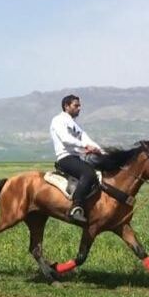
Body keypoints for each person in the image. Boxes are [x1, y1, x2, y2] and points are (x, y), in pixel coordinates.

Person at [50, 94, 104, 224]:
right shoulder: (58, 120)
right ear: (66, 106)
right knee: (88, 173)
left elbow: (87, 140)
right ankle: (76, 207)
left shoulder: (75, 126)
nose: (79, 108)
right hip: (65, 158)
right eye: (76, 105)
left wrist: (103, 153)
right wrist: (85, 146)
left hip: (77, 157)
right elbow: (65, 139)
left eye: (79, 106)